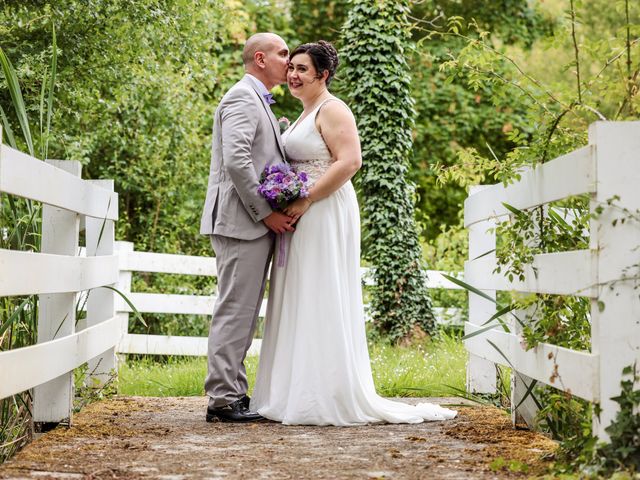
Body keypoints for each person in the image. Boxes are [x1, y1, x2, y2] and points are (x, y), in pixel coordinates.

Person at [251, 40, 457, 425]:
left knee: (319, 290)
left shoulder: (333, 109)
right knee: (299, 292)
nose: (292, 75)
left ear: (323, 75)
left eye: (302, 70)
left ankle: (324, 393)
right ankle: (291, 389)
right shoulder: (303, 112)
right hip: (303, 209)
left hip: (324, 208)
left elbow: (350, 161)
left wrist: (306, 197)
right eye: (291, 67)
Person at [199, 32, 293, 423]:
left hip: (249, 223)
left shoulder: (259, 100)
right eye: (283, 53)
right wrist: (265, 213)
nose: (289, 60)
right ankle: (222, 399)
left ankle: (233, 391)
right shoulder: (241, 96)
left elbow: (255, 154)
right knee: (236, 309)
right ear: (260, 58)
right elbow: (237, 161)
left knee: (245, 310)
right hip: (242, 222)